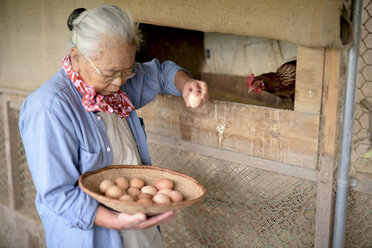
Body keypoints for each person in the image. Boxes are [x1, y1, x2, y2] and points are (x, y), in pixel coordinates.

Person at [19, 4, 208, 248]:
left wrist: (186, 84)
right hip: (92, 239)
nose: (119, 83)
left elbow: (161, 73)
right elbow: (58, 195)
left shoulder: (117, 84)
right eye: (109, 73)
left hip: (138, 230)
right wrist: (117, 221)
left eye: (127, 71)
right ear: (76, 58)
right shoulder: (49, 109)